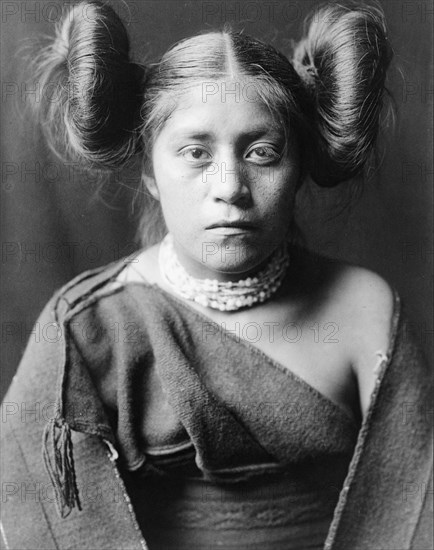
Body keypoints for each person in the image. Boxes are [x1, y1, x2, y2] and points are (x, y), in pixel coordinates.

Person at [1, 1, 432, 549]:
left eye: (261, 151)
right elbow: (38, 521)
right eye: (196, 153)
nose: (230, 185)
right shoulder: (89, 327)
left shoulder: (366, 311)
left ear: (298, 166)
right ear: (151, 172)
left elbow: (417, 511)